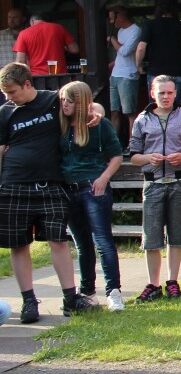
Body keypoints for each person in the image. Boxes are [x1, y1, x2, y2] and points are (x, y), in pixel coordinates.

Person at [0, 62, 97, 323]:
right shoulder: (5, 112)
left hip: (50, 183)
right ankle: (29, 301)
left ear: (27, 84)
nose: (9, 97)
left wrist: (96, 112)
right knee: (19, 244)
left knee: (59, 241)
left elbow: (84, 101)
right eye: (5, 93)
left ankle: (70, 298)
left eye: (12, 92)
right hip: (13, 184)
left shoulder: (53, 100)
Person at [128, 75, 181, 301]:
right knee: (151, 236)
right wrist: (148, 158)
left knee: (177, 235)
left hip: (180, 181)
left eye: (170, 92)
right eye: (161, 92)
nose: (166, 97)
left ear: (175, 93)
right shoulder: (142, 119)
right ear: (153, 93)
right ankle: (153, 284)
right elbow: (133, 155)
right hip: (153, 183)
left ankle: (173, 281)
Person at [58, 80, 124, 311]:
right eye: (62, 100)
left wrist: (104, 178)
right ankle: (87, 292)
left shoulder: (99, 124)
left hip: (93, 185)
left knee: (103, 241)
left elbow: (116, 155)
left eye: (70, 101)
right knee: (82, 243)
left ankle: (113, 291)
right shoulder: (60, 124)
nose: (64, 104)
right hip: (68, 188)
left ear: (82, 103)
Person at [134, 0, 181, 99]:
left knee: (155, 107)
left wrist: (139, 65)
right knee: (174, 107)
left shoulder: (151, 25)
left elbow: (141, 48)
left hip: (155, 73)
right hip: (177, 72)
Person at [107, 6, 143, 141]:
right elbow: (120, 55)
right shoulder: (121, 31)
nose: (111, 22)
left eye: (112, 18)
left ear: (120, 17)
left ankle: (132, 144)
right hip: (115, 74)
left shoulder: (135, 30)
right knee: (114, 111)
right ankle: (113, 144)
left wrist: (112, 40)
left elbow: (125, 51)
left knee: (130, 112)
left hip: (128, 76)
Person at [14, 12, 78, 75]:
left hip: (37, 76)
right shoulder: (59, 28)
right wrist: (61, 45)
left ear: (32, 21)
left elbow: (20, 61)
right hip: (60, 75)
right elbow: (75, 49)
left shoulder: (23, 34)